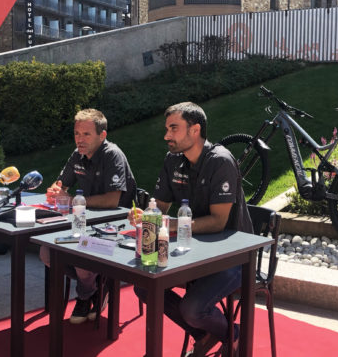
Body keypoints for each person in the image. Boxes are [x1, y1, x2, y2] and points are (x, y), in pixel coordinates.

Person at [130, 102, 252, 357]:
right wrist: (146, 216)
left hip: (233, 258)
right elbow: (160, 207)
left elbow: (218, 222)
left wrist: (169, 224)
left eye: (173, 128)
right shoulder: (173, 160)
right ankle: (206, 334)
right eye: (167, 129)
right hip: (193, 253)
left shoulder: (220, 161)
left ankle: (233, 333)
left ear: (195, 130)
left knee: (192, 309)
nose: (166, 136)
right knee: (145, 286)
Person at [40, 108, 136, 324]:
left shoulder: (112, 155)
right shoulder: (78, 154)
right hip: (83, 223)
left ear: (102, 136)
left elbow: (112, 200)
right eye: (76, 133)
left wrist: (73, 200)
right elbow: (61, 184)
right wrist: (55, 191)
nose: (80, 139)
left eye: (86, 134)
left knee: (81, 256)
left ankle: (85, 295)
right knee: (46, 253)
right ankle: (98, 285)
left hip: (115, 225)